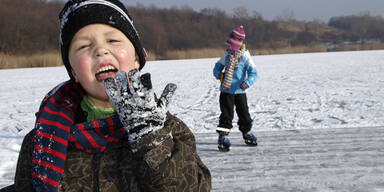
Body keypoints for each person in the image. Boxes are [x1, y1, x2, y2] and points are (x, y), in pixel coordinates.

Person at [6, 0, 211, 191]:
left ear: (137, 58)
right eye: (84, 46)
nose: (101, 50)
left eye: (113, 40)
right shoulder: (43, 139)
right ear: (74, 72)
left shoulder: (169, 128)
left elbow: (194, 186)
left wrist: (151, 140)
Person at [213, 25, 258, 152]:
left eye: (231, 45)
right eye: (229, 44)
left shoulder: (245, 56)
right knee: (226, 115)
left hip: (240, 91)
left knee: (244, 113)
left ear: (238, 44)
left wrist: (247, 82)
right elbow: (217, 66)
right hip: (226, 90)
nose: (229, 47)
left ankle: (247, 132)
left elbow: (254, 72)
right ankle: (223, 136)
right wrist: (218, 74)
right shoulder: (226, 55)